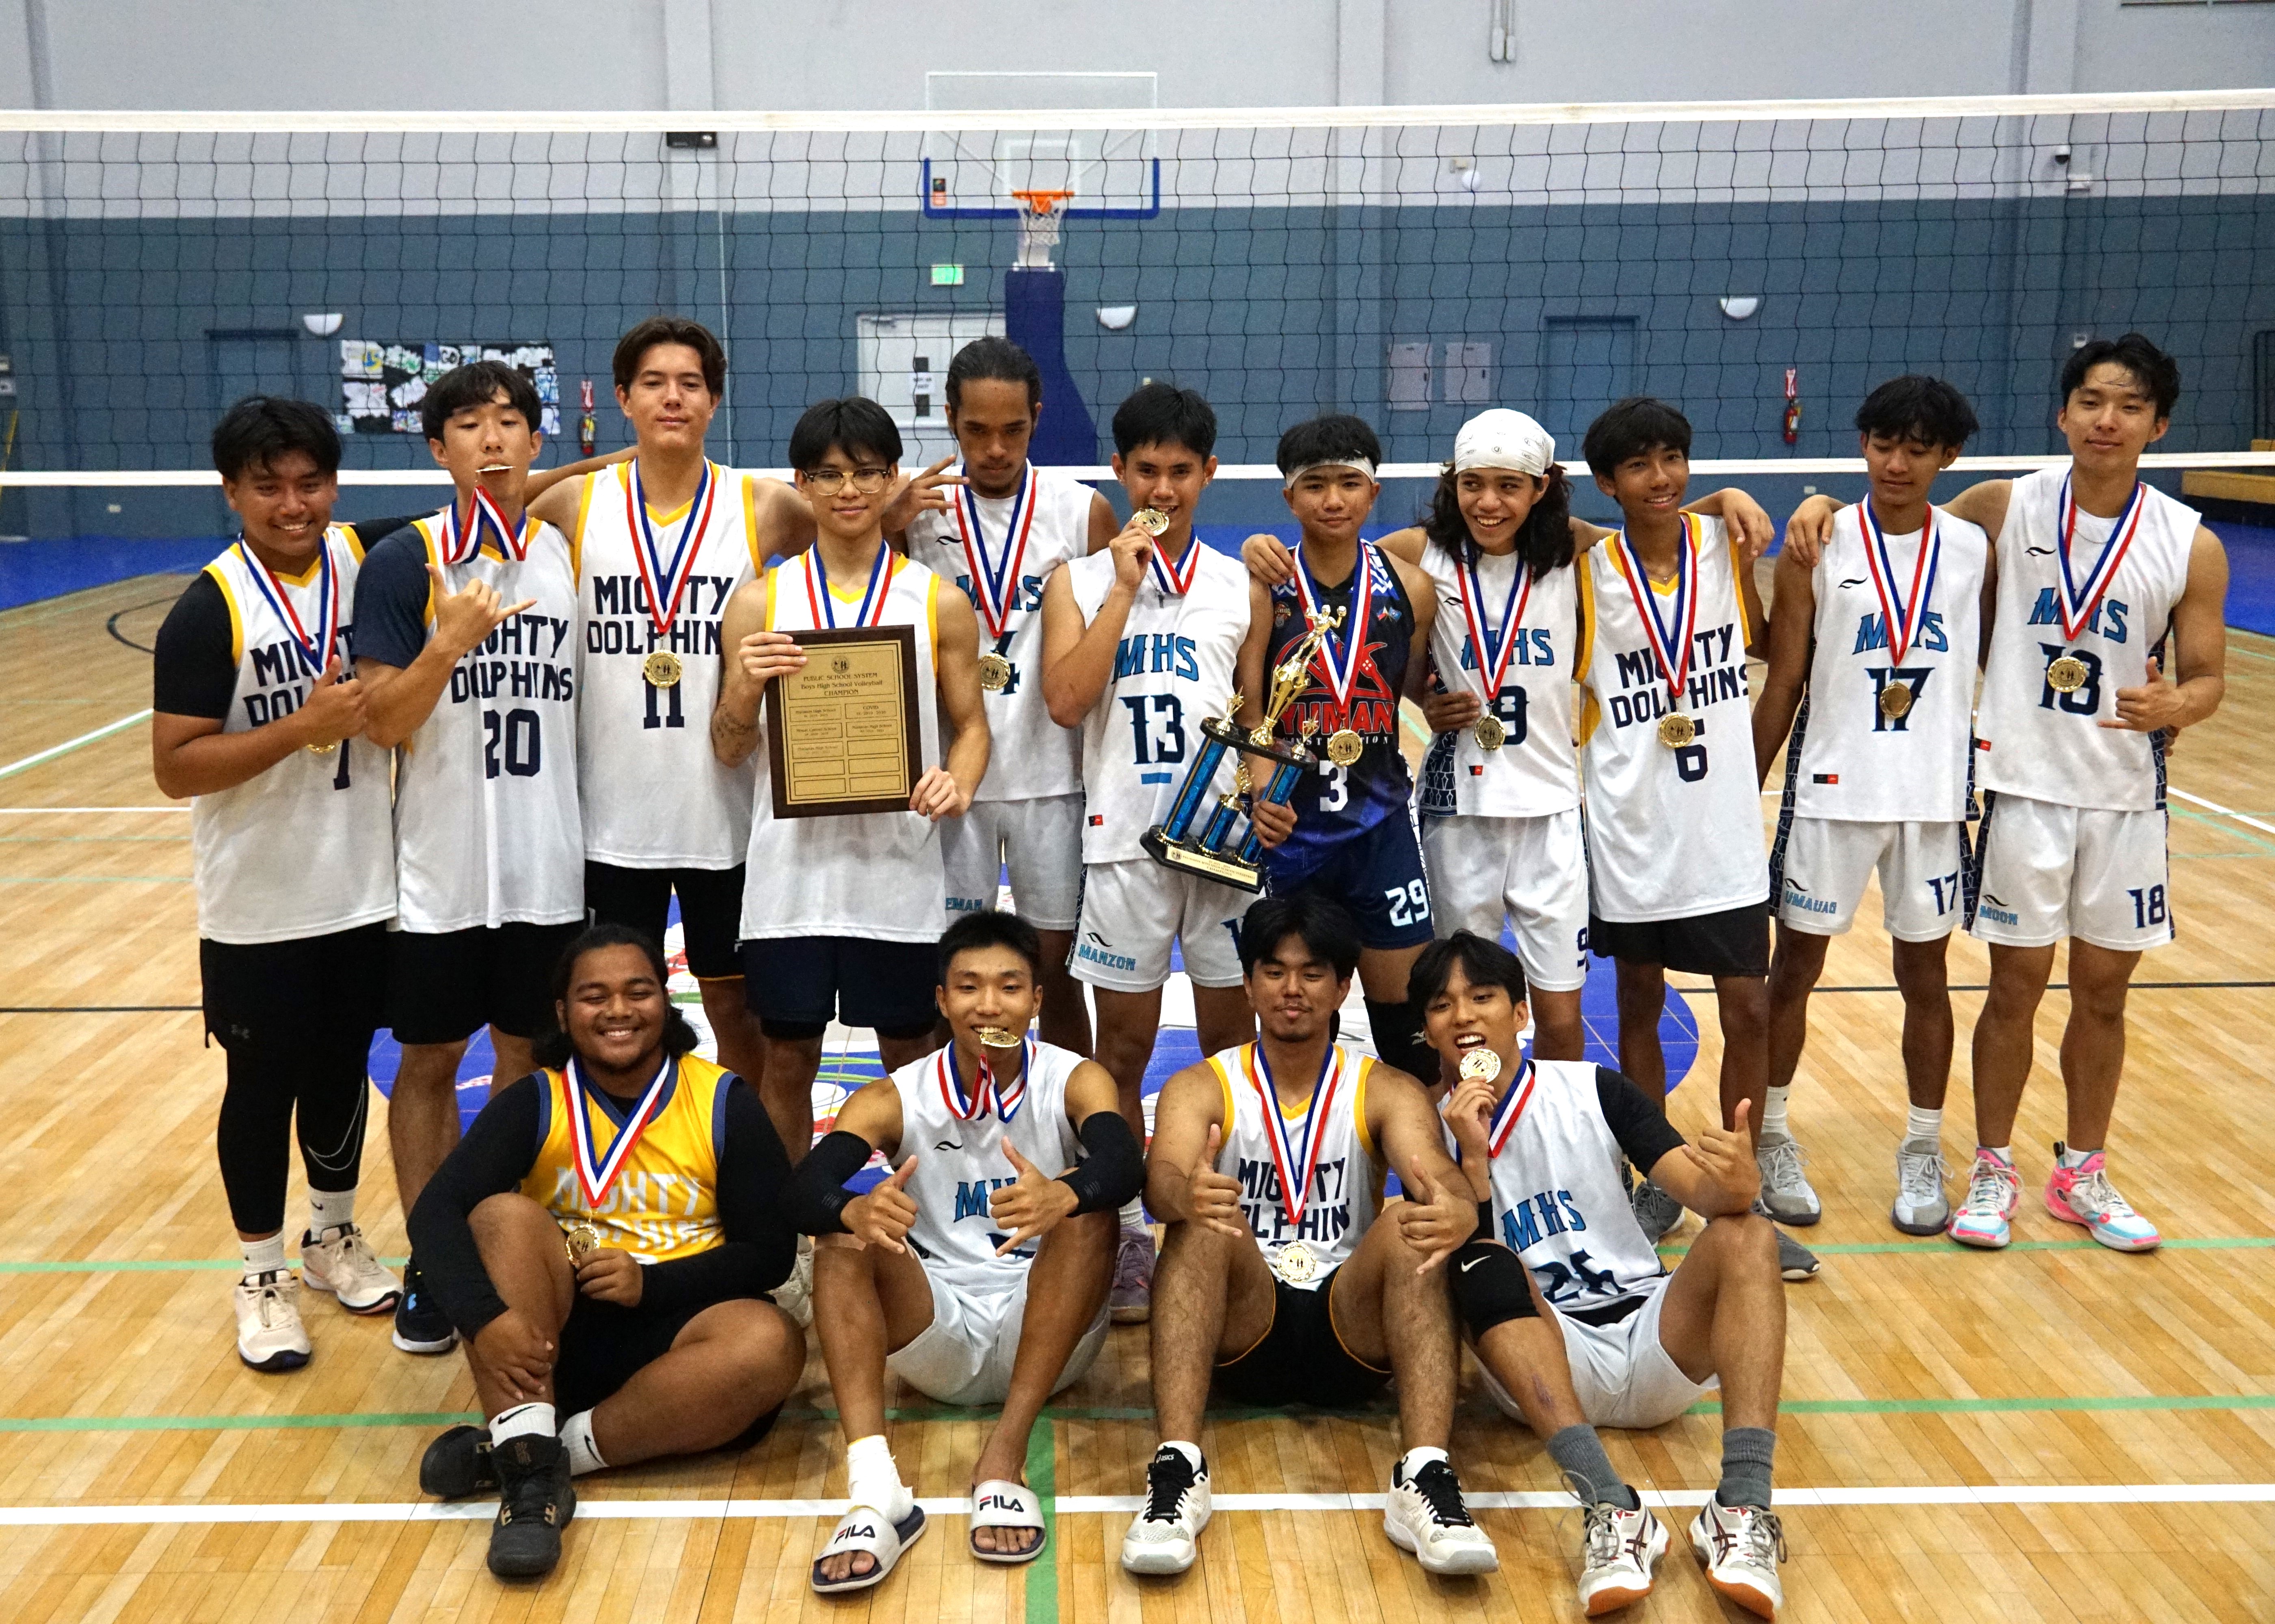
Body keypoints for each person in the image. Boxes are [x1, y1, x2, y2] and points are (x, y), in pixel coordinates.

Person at [1786, 335, 2230, 1251]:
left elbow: (2208, 677)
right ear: (2062, 414)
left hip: (2123, 795)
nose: (2107, 419)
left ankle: (2082, 1172)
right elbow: (1900, 527)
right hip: (2020, 788)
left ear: (2159, 424)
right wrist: (1822, 504)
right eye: (2091, 401)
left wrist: (2174, 701)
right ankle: (1990, 1165)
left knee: (2103, 994)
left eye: (2129, 405)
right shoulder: (2004, 503)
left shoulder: (2190, 542)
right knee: (2012, 989)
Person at [1239, 412, 1777, 1065]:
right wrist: (1256, 551)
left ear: (1542, 488)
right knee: (1454, 1012)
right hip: (1458, 813)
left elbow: (1651, 520)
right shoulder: (1419, 555)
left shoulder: (1575, 553)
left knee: (1558, 1015)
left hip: (1550, 812)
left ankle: (1553, 1143)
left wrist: (1727, 499)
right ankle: (1466, 1147)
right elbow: (1339, 563)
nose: (1489, 503)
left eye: (1509, 486)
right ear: (1452, 484)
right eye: (1473, 485)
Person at [151, 397, 423, 1370]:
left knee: (343, 1068)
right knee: (261, 1085)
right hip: (258, 901)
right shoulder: (206, 608)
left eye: (309, 482)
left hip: (362, 888)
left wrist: (603, 472)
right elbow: (176, 766)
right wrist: (296, 732)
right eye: (268, 486)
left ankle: (333, 1236)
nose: (292, 503)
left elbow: (491, 504)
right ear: (233, 491)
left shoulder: (366, 558)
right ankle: (260, 1273)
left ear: (334, 486)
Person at [406, 925, 802, 1581]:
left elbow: (770, 1253)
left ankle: (534, 1454)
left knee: (771, 1343)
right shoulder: (536, 1099)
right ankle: (531, 1495)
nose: (618, 1011)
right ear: (563, 1014)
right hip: (556, 1333)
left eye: (637, 992)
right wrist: (485, 1319)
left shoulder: (721, 1099)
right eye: (595, 996)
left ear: (665, 1003)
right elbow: (435, 1213)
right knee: (501, 1218)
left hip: (684, 1327)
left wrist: (651, 1283)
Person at [1415, 931, 1791, 1618]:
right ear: (1426, 1031)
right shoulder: (1418, 1125)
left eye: (1484, 997)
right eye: (1443, 1006)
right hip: (1543, 1359)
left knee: (1748, 1235)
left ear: (1521, 1014)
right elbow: (1452, 1254)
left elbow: (1696, 1191)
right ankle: (1609, 1509)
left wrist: (1736, 1185)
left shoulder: (1593, 1088)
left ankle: (1742, 1505)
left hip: (1654, 1338)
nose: (1464, 1016)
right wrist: (1470, 1160)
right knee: (1481, 1258)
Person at [1121, 894, 1496, 1580]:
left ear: (1343, 987)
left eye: (1313, 973)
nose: (1292, 991)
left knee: (1409, 1223)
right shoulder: (1200, 1085)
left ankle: (1424, 1477)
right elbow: (1160, 1182)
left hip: (1349, 1326)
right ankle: (1177, 1472)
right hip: (1242, 1325)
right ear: (1247, 983)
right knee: (1205, 1220)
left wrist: (1457, 1207)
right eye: (1274, 971)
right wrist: (1185, 1193)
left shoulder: (1382, 1087)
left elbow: (1436, 1173)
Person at [785, 909, 1142, 1592]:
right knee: (841, 1235)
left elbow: (1126, 1163)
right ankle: (873, 1489)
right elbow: (804, 1189)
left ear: (1038, 1001)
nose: (989, 1005)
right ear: (942, 1000)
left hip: (1048, 1330)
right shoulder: (896, 1095)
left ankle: (1004, 1457)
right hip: (934, 1327)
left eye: (1009, 987)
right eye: (969, 988)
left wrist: (1064, 1195)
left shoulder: (1073, 1078)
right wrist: (854, 1207)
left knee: (1086, 1212)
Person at [1038, 382, 1287, 1324]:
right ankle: (1127, 1228)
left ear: (1209, 473)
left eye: (1181, 470)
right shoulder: (1079, 578)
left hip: (1220, 847)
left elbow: (1257, 714)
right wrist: (1125, 586)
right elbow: (1065, 700)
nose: (1164, 486)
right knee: (1128, 1046)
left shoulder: (1240, 583)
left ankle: (1223, 1215)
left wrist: (1267, 793)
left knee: (1231, 1043)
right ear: (1119, 470)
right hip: (1123, 842)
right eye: (1146, 468)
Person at [355, 360, 588, 1354]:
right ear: (438, 448)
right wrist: (446, 643)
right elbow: (383, 724)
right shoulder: (404, 561)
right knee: (430, 1058)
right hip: (440, 866)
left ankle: (496, 1239)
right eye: (468, 424)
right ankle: (429, 1259)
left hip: (548, 858)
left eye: (509, 423)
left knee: (527, 1057)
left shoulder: (563, 552)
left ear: (535, 446)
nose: (491, 439)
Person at [1574, 397, 1816, 1281]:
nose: (1661, 478)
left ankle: (1735, 1191)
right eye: (1637, 466)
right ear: (1606, 482)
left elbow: (1777, 663)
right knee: (1635, 1003)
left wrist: (1730, 497)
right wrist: (1725, 492)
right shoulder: (1585, 572)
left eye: (1673, 459)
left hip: (1718, 836)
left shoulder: (1727, 546)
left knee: (1746, 1005)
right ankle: (1657, 1175)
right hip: (1631, 831)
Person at [711, 397, 990, 1159]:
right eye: (828, 475)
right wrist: (743, 684)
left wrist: (956, 784)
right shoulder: (759, 601)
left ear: (891, 479)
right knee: (788, 1059)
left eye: (867, 473)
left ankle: (926, 1222)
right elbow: (729, 748)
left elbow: (971, 731)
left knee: (909, 1060)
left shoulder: (938, 601)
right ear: (801, 484)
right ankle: (791, 1237)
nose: (848, 491)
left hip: (896, 876)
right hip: (789, 881)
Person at [1752, 377, 1991, 1235]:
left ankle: (1923, 1147)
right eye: (1883, 444)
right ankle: (1770, 1134)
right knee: (1793, 971)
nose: (1896, 462)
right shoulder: (1816, 543)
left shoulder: (1972, 546)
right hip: (1829, 792)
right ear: (1862, 446)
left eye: (1917, 448)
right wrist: (1739, 784)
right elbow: (1782, 677)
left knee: (1923, 976)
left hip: (1928, 800)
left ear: (1945, 457)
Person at [519, 317, 771, 1105]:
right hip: (609, 819)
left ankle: (737, 1164)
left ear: (714, 399)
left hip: (721, 813)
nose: (673, 397)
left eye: (690, 385)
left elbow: (856, 521)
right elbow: (492, 500)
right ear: (622, 397)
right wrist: (632, 453)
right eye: (654, 384)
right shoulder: (577, 501)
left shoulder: (760, 504)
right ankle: (610, 1167)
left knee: (736, 1007)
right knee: (600, 1007)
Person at [899, 337, 1119, 1057]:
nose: (994, 448)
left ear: (1037, 417)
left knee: (1053, 976)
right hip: (947, 779)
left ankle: (1070, 1133)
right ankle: (941, 1132)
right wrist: (885, 521)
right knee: (948, 972)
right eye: (975, 431)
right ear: (949, 420)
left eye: (1013, 430)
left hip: (1051, 779)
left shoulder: (1081, 512)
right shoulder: (916, 512)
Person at [1233, 415, 1441, 1088]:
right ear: (1288, 498)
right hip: (1290, 834)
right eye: (1314, 485)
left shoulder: (1411, 588)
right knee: (1290, 1016)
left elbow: (1405, 684)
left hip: (1379, 827)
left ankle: (1424, 1172)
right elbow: (1252, 707)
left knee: (1409, 1026)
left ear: (1372, 494)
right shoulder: (1263, 583)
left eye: (1348, 484)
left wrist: (1435, 703)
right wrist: (1262, 790)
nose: (1332, 500)